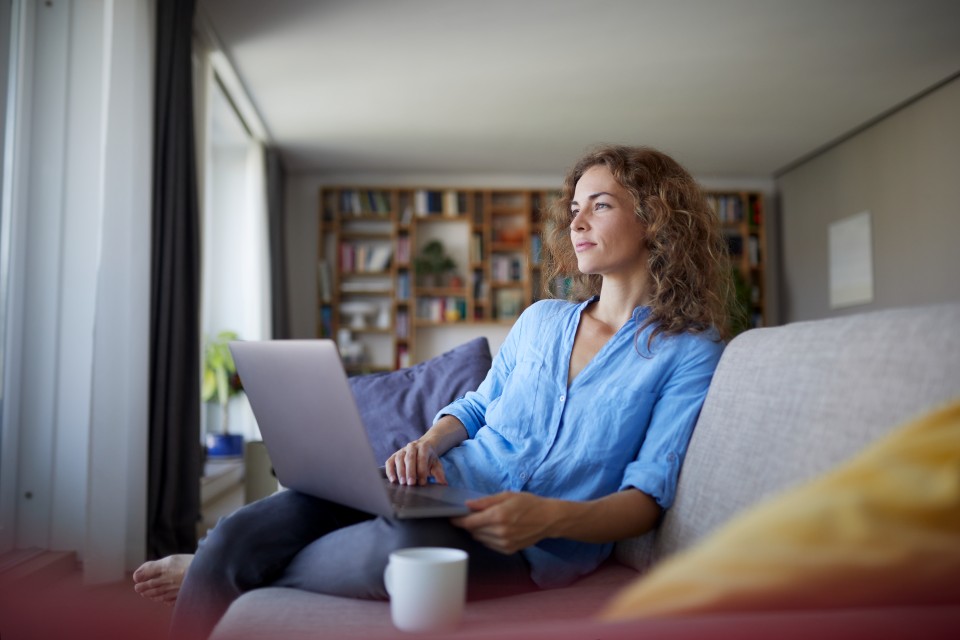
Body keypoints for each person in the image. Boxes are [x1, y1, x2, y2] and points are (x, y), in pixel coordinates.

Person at [134, 144, 734, 638]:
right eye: (575, 207)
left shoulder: (689, 349)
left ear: (655, 218)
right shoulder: (542, 320)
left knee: (391, 555)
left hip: (527, 548)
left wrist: (551, 517)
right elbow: (475, 407)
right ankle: (224, 560)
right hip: (440, 485)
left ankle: (218, 572)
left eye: (598, 206)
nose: (575, 222)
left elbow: (648, 493)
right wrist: (428, 441)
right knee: (242, 527)